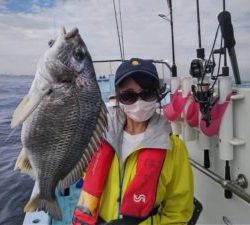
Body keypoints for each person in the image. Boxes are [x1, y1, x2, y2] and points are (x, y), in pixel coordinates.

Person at [73, 58, 194, 225]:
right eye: (129, 95)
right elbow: (80, 170)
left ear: (158, 94)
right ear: (118, 96)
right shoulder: (98, 136)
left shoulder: (175, 149)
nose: (139, 102)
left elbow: (178, 213)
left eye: (147, 93)